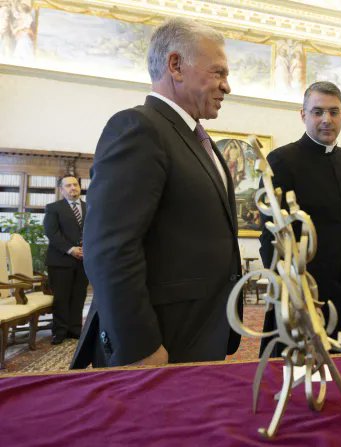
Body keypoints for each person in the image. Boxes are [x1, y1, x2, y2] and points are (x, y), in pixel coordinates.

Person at [71, 18, 242, 368]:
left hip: (200, 332)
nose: (227, 86)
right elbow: (109, 249)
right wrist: (139, 345)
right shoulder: (139, 128)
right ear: (176, 65)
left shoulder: (197, 139)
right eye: (218, 73)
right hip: (158, 343)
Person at [259, 81, 341, 355]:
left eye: (334, 112)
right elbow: (269, 231)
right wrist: (287, 284)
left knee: (339, 364)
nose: (327, 120)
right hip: (301, 290)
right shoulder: (282, 159)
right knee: (295, 366)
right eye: (318, 112)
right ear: (303, 115)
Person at [43, 176, 88, 345]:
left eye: (75, 184)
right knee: (61, 297)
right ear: (62, 190)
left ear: (79, 187)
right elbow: (51, 233)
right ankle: (60, 331)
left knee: (79, 296)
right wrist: (71, 249)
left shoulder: (89, 207)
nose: (72, 188)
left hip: (83, 260)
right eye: (68, 185)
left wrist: (86, 249)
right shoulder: (53, 208)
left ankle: (75, 330)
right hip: (60, 260)